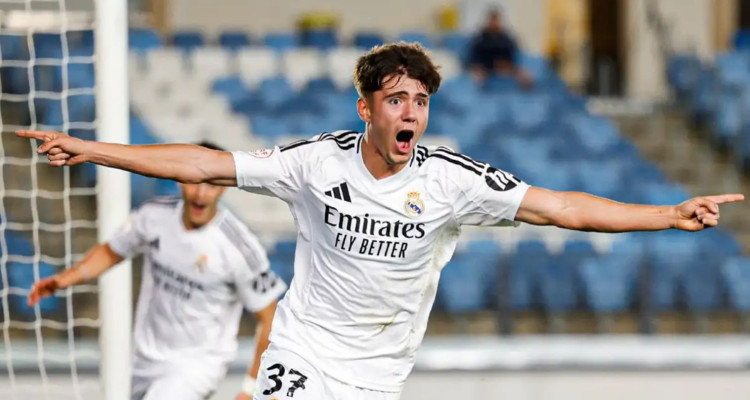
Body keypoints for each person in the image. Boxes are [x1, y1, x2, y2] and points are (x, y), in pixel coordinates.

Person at [18, 43, 743, 400]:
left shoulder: (452, 181)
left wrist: (665, 214)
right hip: (302, 350)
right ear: (365, 108)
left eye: (421, 101)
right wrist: (91, 149)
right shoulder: (313, 162)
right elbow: (204, 163)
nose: (412, 113)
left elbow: (562, 208)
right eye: (397, 99)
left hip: (378, 372)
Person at [26, 142, 286, 400]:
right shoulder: (154, 216)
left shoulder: (239, 247)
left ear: (224, 187)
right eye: (195, 182)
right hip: (144, 359)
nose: (200, 194)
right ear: (181, 179)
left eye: (211, 184)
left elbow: (269, 317)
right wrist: (65, 279)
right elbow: (112, 251)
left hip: (197, 366)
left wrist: (251, 387)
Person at [468, 8, 533, 88]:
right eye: (492, 20)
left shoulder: (506, 38)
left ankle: (526, 91)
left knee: (524, 76)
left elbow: (511, 53)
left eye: (496, 20)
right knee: (478, 78)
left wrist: (506, 64)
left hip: (503, 67)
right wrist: (478, 66)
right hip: (483, 67)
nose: (494, 23)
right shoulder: (480, 38)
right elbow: (474, 57)